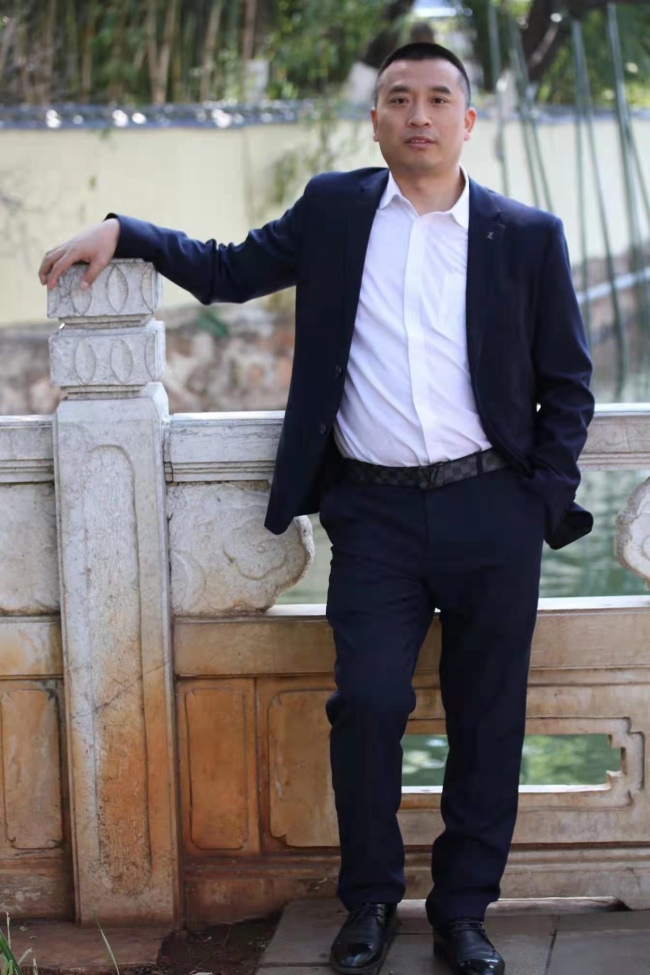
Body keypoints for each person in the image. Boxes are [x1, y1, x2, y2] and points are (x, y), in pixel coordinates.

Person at [40, 42, 594, 975]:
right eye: (399, 98)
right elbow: (226, 270)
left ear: (468, 120)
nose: (418, 115)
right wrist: (125, 229)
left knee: (489, 717)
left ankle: (464, 912)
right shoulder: (336, 210)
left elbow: (567, 382)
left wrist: (539, 498)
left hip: (493, 510)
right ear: (376, 120)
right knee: (367, 704)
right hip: (373, 515)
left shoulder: (526, 234)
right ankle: (369, 900)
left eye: (438, 99)